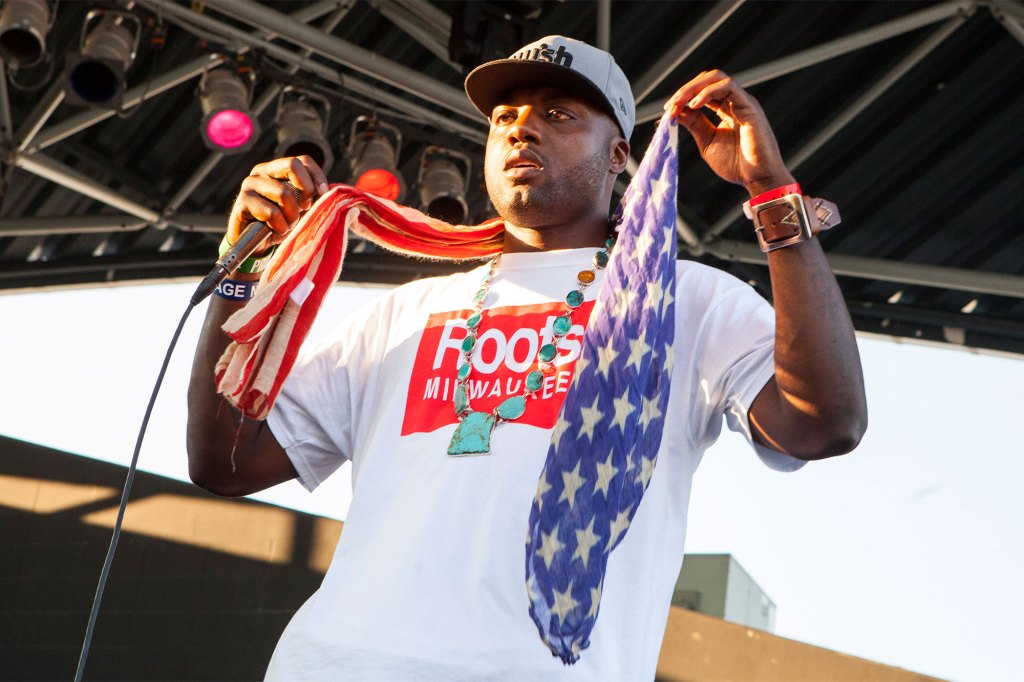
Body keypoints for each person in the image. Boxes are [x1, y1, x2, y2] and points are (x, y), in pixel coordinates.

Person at [187, 35, 866, 680]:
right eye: (504, 117)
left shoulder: (684, 298)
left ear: (619, 154)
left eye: (559, 114)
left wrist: (771, 193)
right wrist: (242, 263)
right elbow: (226, 460)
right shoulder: (403, 312)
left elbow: (823, 422)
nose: (521, 128)